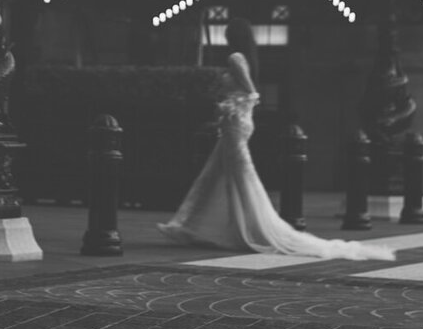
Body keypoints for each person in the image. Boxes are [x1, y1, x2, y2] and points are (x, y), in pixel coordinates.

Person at [157, 18, 395, 261]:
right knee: (220, 173)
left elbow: (251, 92)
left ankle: (234, 226)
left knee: (236, 175)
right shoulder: (246, 57)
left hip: (235, 121)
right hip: (238, 122)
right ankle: (201, 224)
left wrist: (228, 106)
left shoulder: (235, 58)